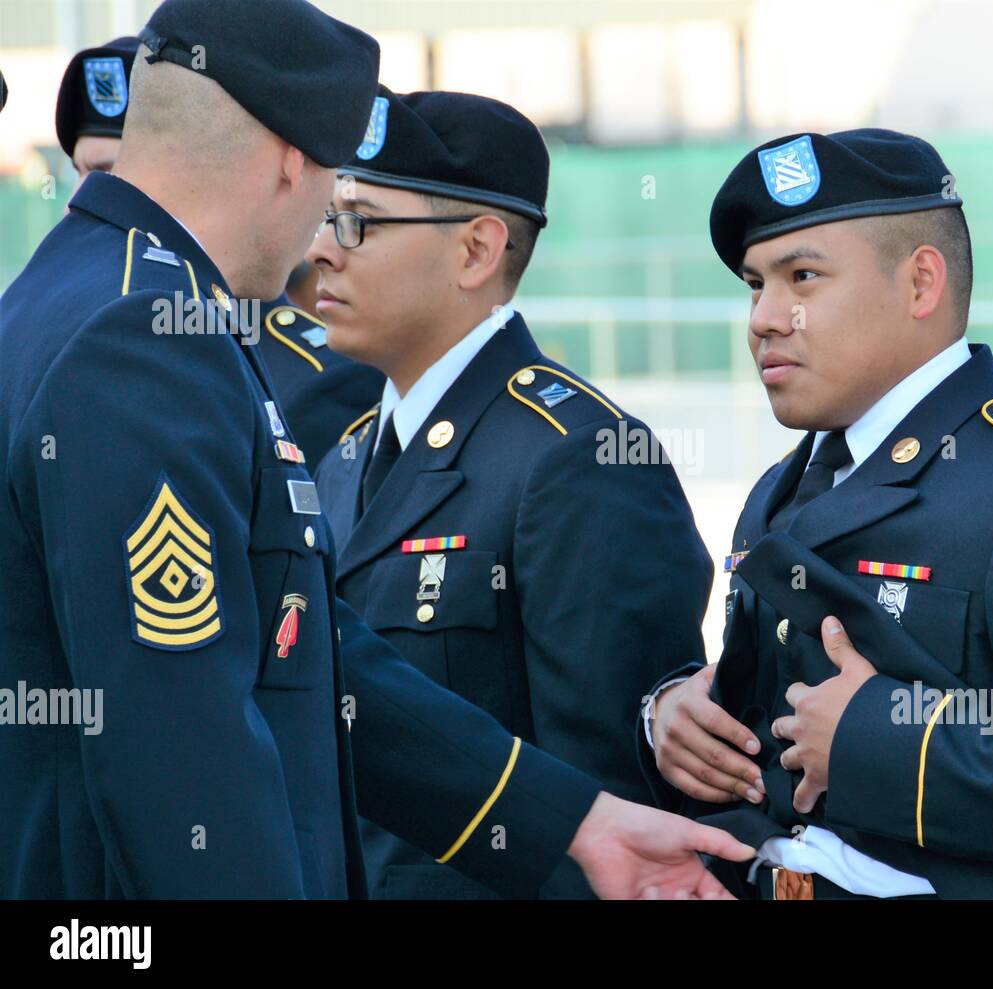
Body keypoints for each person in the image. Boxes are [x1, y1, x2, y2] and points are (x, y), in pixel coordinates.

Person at [0, 0, 749, 899]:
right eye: (334, 196)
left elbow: (302, 646)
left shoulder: (74, 295)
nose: (325, 242)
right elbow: (180, 750)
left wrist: (572, 820)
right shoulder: (147, 336)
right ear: (292, 164)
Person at [637, 128, 993, 899]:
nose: (765, 316)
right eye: (754, 283)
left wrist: (877, 739)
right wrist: (672, 719)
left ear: (921, 283)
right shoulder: (781, 489)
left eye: (802, 277)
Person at [309, 89, 713, 899]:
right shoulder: (346, 455)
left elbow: (610, 801)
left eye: (358, 221)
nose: (322, 248)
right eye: (323, 217)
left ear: (476, 251)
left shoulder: (580, 458)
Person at [53, 33, 383, 467]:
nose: (80, 201)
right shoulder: (72, 340)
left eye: (109, 174)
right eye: (78, 173)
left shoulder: (320, 381)